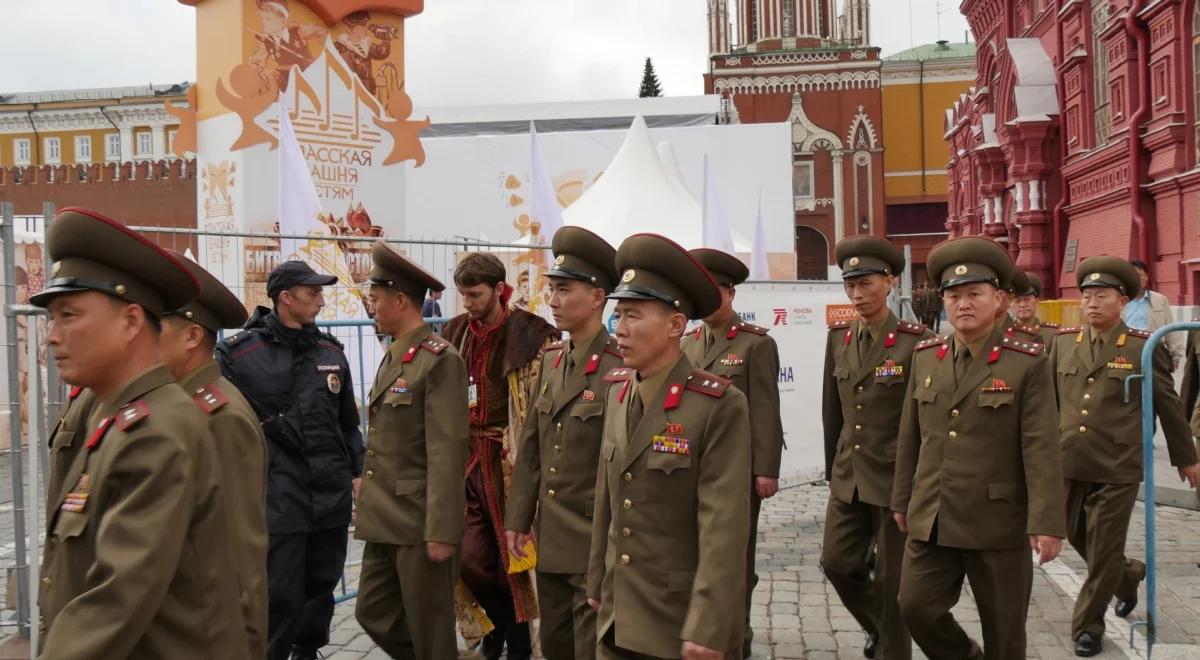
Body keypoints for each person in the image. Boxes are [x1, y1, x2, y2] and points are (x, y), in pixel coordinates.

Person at [34, 207, 250, 658]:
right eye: (51, 319)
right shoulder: (122, 415)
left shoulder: (156, 430)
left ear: (132, 321)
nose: (52, 336)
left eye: (69, 315)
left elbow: (116, 599)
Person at [892, 236, 1066, 660]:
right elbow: (911, 435)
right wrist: (901, 499)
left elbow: (1040, 444)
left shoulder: (1026, 361)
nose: (962, 304)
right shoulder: (927, 356)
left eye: (974, 294)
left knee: (1004, 636)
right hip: (933, 516)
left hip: (997, 522)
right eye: (953, 295)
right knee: (915, 607)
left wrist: (1046, 521)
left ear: (1000, 299)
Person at [586, 233, 751, 659]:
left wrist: (709, 626)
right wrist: (596, 585)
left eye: (633, 316)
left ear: (676, 325)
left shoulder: (717, 405)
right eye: (618, 314)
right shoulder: (618, 392)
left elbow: (723, 526)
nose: (619, 329)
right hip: (618, 616)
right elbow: (607, 497)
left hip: (678, 625)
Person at [1048, 257, 1200, 656]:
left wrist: (1186, 457)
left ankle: (1088, 627)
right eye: (1087, 296)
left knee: (1102, 548)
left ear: (1122, 300)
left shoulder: (1140, 347)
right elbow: (1044, 404)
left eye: (1102, 296)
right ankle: (1129, 575)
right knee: (1076, 537)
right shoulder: (1063, 343)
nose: (1092, 303)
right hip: (1068, 461)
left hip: (1117, 465)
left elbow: (1168, 404)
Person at [216, 260, 363, 660]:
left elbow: (347, 422)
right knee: (279, 588)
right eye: (312, 292)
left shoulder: (330, 351)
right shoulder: (239, 355)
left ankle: (308, 649)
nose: (320, 299)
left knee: (322, 582)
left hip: (329, 490)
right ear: (286, 298)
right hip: (279, 491)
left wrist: (358, 472)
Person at [505, 226, 623, 659]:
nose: (552, 301)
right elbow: (533, 446)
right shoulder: (553, 359)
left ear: (597, 297)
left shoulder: (619, 365)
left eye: (563, 290)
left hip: (594, 538)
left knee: (591, 649)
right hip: (551, 537)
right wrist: (518, 517)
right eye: (551, 290)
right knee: (554, 646)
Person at [440, 252, 559, 660]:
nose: (468, 303)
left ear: (499, 290)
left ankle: (519, 644)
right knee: (469, 557)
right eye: (463, 295)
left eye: (475, 294)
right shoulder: (455, 332)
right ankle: (495, 626)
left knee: (514, 559)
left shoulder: (531, 334)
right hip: (466, 457)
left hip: (509, 457)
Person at [354, 242, 469, 657]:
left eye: (376, 298)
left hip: (419, 522)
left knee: (431, 630)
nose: (372, 307)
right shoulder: (395, 356)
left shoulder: (439, 360)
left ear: (400, 300)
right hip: (385, 517)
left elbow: (447, 450)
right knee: (372, 611)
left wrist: (441, 530)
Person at [820, 237, 931, 660]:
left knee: (891, 584)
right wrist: (833, 468)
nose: (857, 294)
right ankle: (879, 628)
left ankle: (893, 651)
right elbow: (833, 411)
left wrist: (918, 479)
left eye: (866, 284)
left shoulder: (914, 341)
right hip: (849, 476)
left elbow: (924, 418)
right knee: (836, 563)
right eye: (850, 286)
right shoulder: (838, 339)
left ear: (890, 282)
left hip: (894, 477)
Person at [160, 254, 269, 658]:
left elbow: (239, 554)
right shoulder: (180, 403)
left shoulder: (218, 415)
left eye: (156, 329)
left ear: (191, 337)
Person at [682, 247, 785, 656]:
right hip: (690, 469)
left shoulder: (755, 344)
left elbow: (766, 410)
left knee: (735, 562)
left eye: (715, 293)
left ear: (731, 294)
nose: (708, 302)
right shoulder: (688, 344)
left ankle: (736, 639)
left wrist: (766, 470)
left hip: (737, 472)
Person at [1123, 259, 1185, 370]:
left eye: (1139, 275)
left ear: (1146, 276)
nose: (1135, 279)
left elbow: (1170, 327)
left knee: (1159, 385)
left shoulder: (1160, 300)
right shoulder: (1119, 300)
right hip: (1126, 349)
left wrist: (1176, 355)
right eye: (1131, 275)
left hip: (1154, 349)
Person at [1009, 271, 1059, 345]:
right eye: (1017, 301)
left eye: (1027, 300)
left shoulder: (1052, 334)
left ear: (1036, 301)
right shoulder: (1003, 334)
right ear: (1010, 305)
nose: (1022, 305)